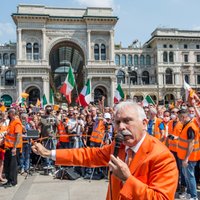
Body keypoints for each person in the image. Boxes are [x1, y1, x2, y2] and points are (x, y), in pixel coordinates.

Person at [32, 102, 178, 199]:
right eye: (117, 122)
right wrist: (48, 153)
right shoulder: (119, 146)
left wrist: (127, 179)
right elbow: (88, 155)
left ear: (144, 123)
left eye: (127, 121)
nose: (121, 127)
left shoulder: (163, 157)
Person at [177, 109, 199, 199]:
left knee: (190, 177)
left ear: (183, 117)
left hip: (189, 158)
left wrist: (186, 158)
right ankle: (189, 194)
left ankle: (194, 196)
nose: (179, 120)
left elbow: (191, 144)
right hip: (185, 157)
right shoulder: (186, 125)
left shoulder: (190, 127)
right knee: (187, 177)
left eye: (179, 118)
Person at [3, 109, 23, 187]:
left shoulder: (17, 122)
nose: (7, 114)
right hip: (8, 147)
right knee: (7, 165)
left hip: (14, 148)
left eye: (9, 112)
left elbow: (18, 135)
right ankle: (9, 180)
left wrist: (14, 148)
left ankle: (13, 182)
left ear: (12, 113)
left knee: (13, 165)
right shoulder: (11, 121)